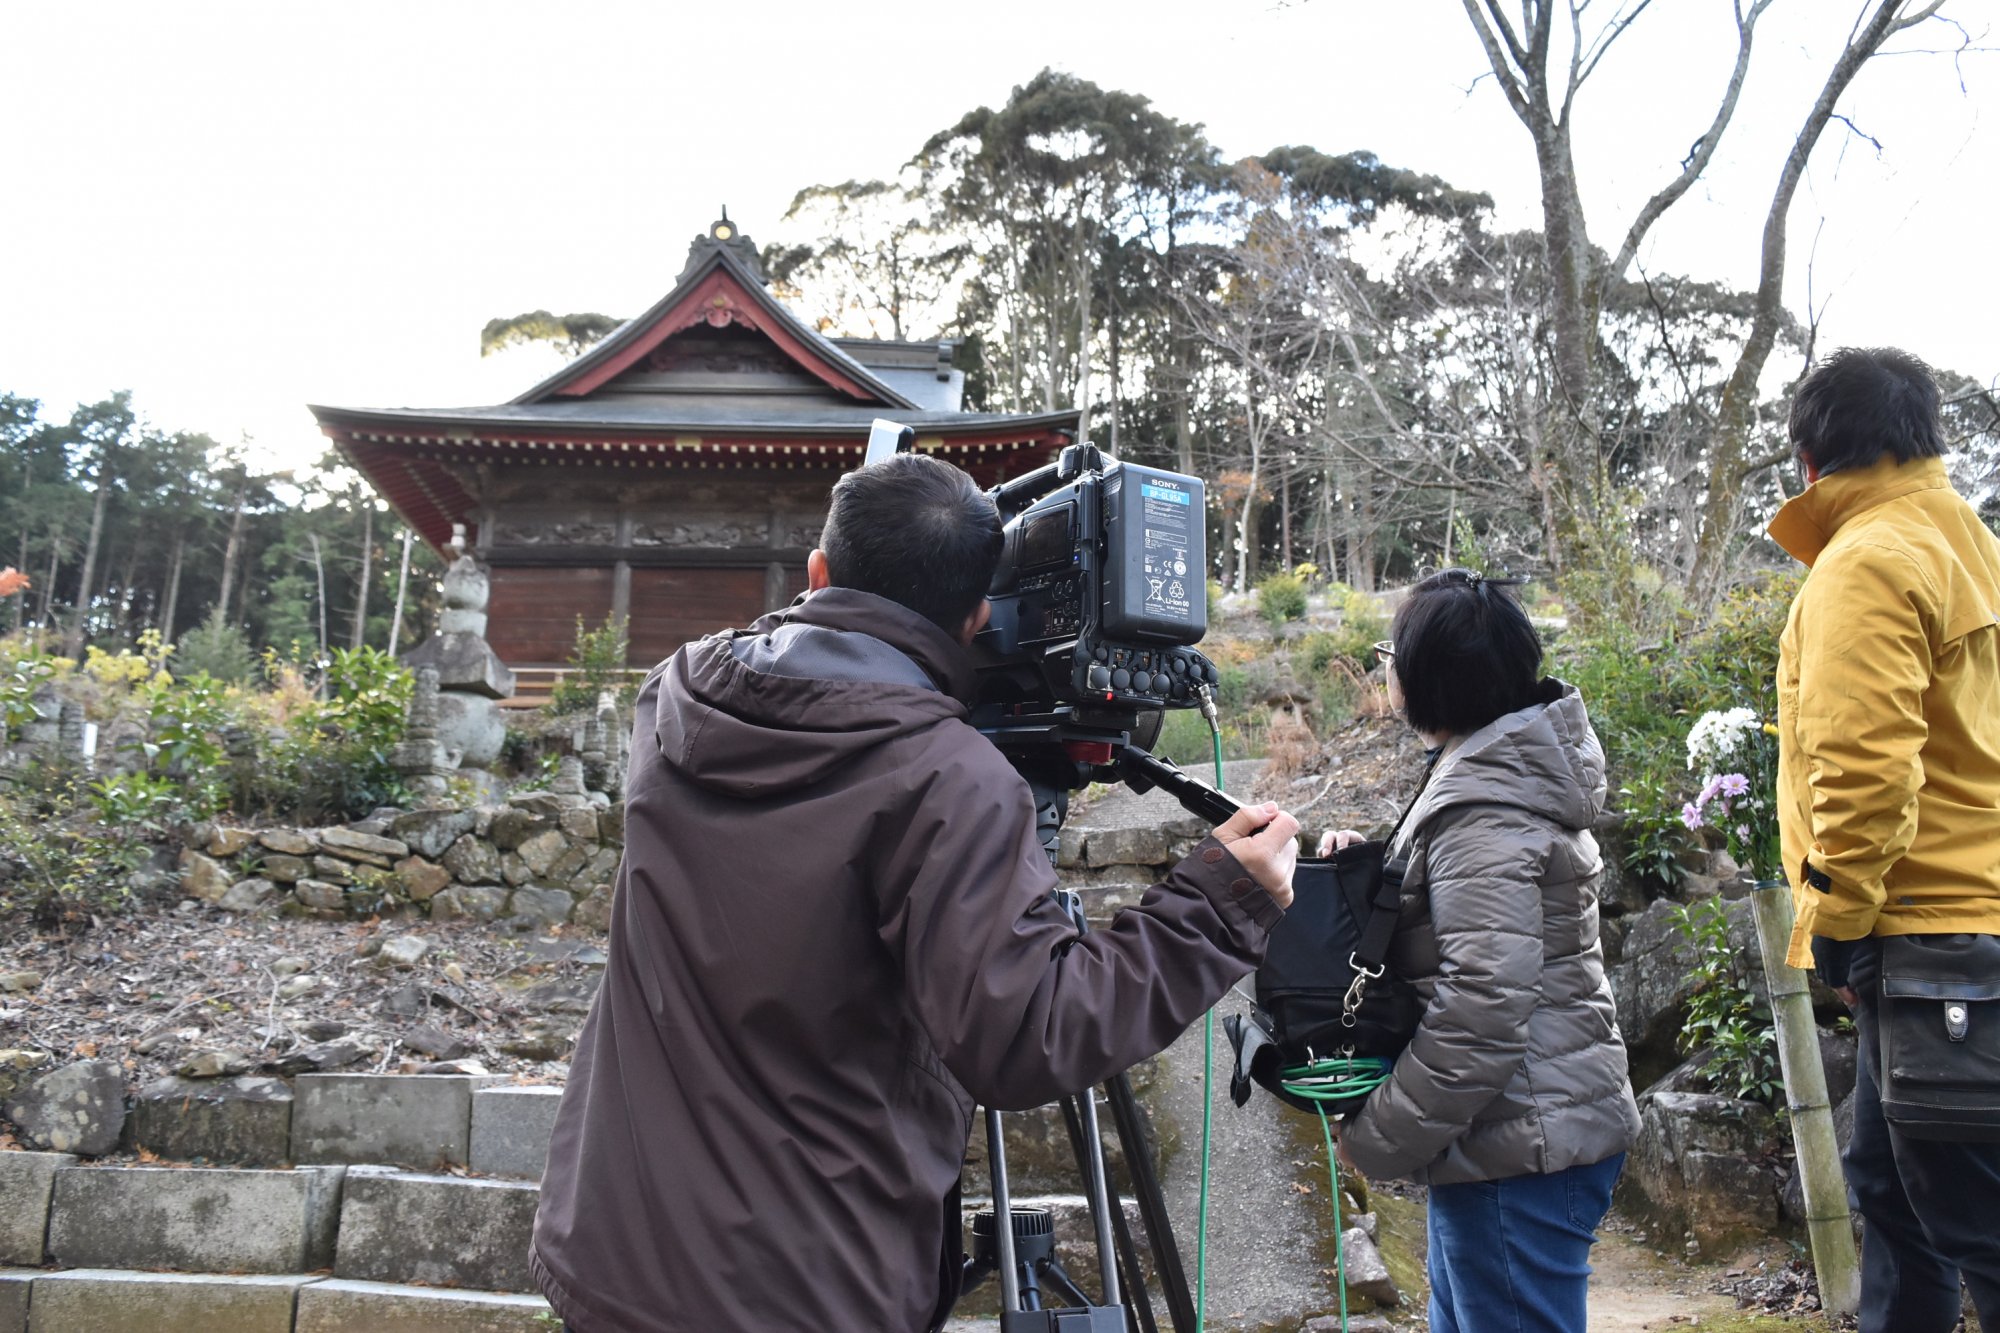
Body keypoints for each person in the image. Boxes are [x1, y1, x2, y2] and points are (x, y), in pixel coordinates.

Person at [530, 451, 1301, 1333]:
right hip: (801, 1292)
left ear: (817, 574)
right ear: (977, 617)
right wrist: (1219, 903)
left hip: (615, 1254)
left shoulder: (673, 698)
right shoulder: (949, 777)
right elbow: (1030, 1034)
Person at [1317, 569, 1639, 1333]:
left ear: (1427, 677)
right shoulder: (1493, 775)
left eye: (1390, 654)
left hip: (1520, 1142)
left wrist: (1376, 1135)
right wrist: (1376, 873)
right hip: (1515, 1131)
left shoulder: (1485, 810)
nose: (1383, 669)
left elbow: (1483, 1011)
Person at [1769, 347, 2000, 1333]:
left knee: (1973, 1219)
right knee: (1888, 1183)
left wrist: (1833, 920)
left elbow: (1863, 773)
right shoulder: (1966, 543)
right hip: (1962, 924)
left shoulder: (1863, 561)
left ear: (1809, 459)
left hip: (1924, 933)